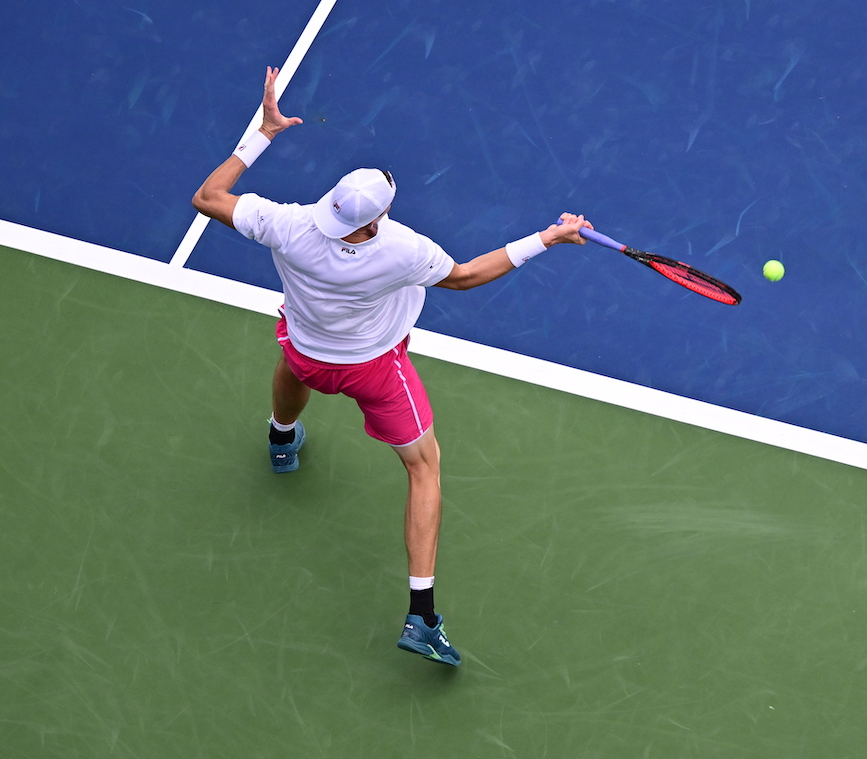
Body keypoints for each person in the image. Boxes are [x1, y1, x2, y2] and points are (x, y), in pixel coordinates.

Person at [191, 67, 589, 666]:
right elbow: (465, 278)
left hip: (306, 346)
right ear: (372, 220)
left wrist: (263, 134)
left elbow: (208, 198)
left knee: (294, 368)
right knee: (424, 469)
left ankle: (280, 440)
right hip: (374, 369)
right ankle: (422, 614)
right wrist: (547, 239)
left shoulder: (289, 224)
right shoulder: (405, 250)